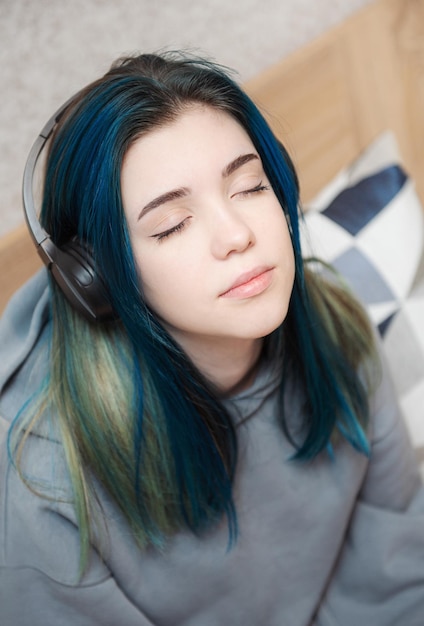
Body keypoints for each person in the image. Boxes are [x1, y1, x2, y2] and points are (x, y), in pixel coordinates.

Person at [0, 51, 423, 626]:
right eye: (171, 224)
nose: (237, 234)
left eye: (249, 187)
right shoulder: (41, 484)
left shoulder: (336, 321)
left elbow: (394, 564)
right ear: (93, 279)